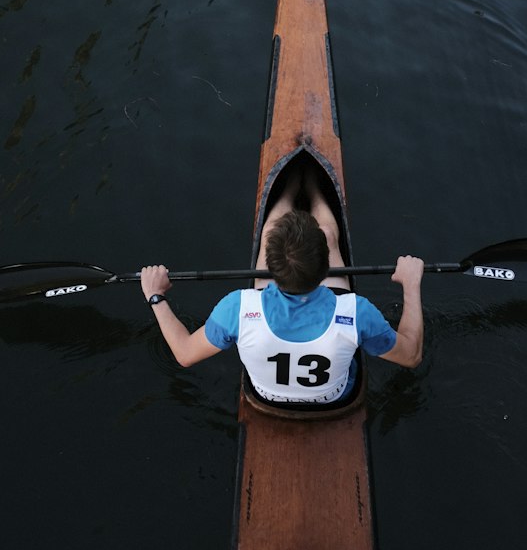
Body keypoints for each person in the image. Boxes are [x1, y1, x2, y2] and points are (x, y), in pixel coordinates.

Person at [139, 163, 424, 405]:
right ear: (326, 267)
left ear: (270, 270)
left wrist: (155, 296)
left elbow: (185, 354)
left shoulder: (236, 308)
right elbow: (411, 356)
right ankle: (314, 187)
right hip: (334, 397)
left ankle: (287, 187)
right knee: (327, 232)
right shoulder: (357, 312)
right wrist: (410, 285)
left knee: (270, 232)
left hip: (266, 397)